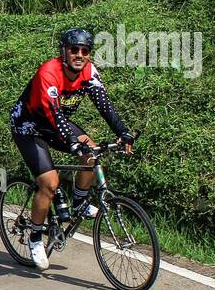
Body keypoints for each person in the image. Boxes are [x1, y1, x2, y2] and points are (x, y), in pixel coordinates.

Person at [9, 27, 135, 269]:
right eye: (74, 50)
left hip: (57, 125)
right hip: (29, 126)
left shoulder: (88, 71)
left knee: (92, 152)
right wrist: (73, 143)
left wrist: (123, 132)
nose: (79, 54)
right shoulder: (49, 72)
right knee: (49, 183)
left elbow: (105, 106)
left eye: (84, 51)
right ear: (63, 52)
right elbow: (54, 115)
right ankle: (35, 237)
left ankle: (79, 202)